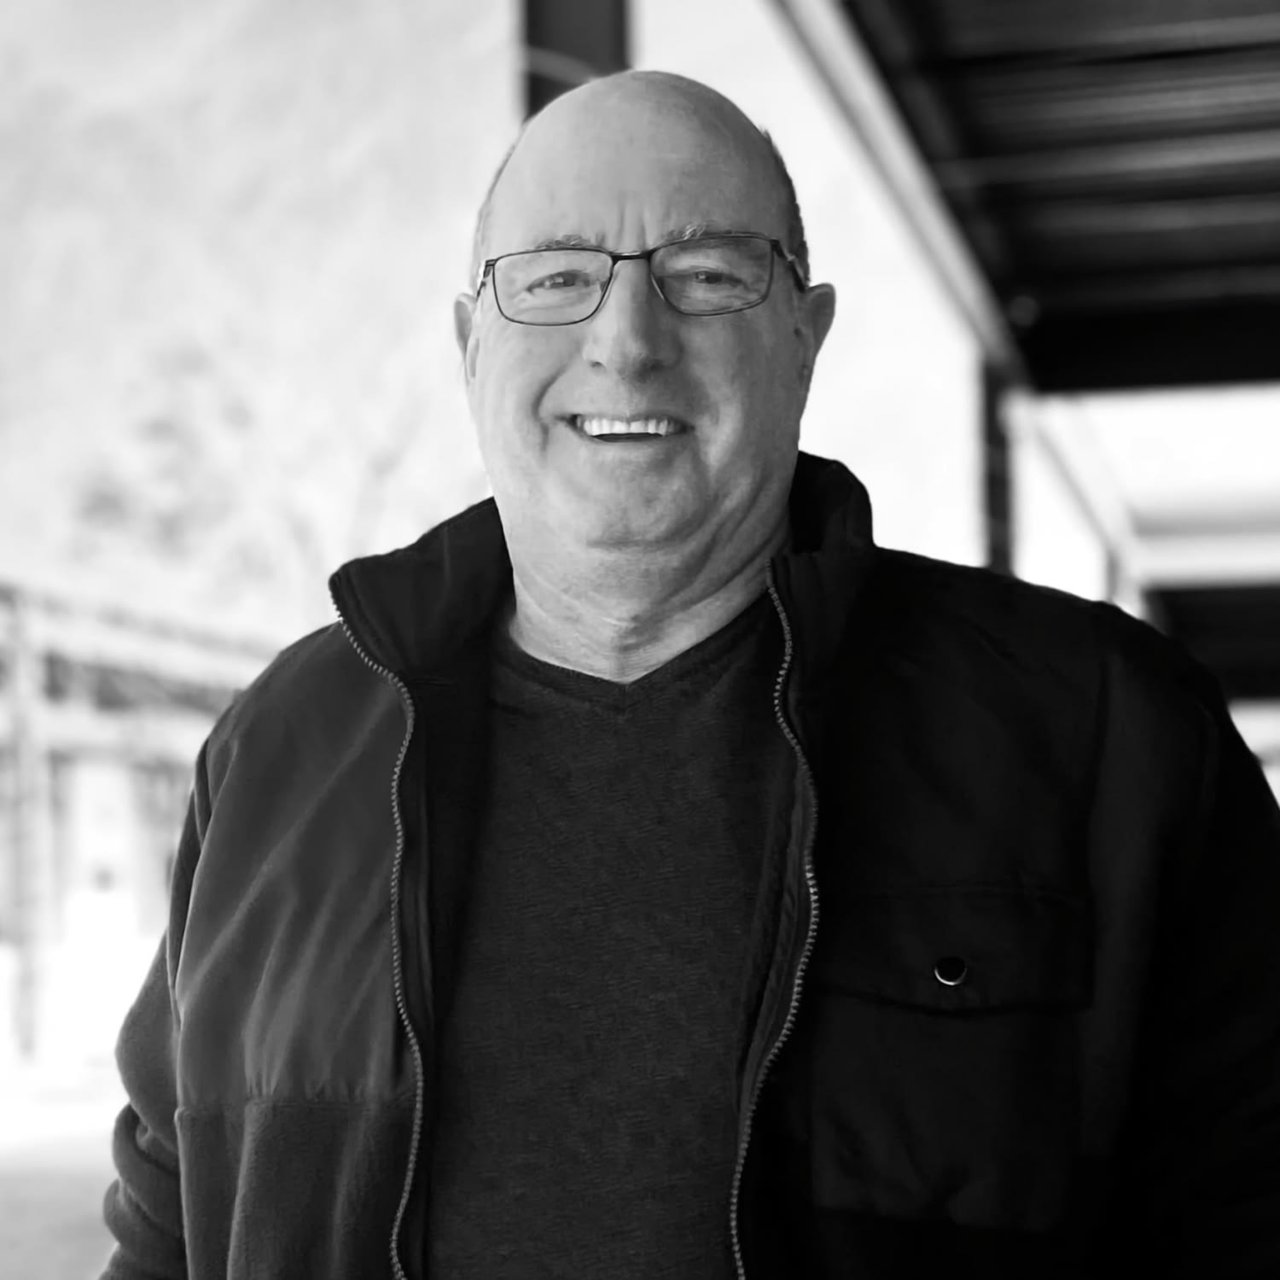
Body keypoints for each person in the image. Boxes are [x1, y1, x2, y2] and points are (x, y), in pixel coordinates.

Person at [100, 70, 1280, 1280]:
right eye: (556, 277)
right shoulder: (279, 749)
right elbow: (165, 1221)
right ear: (471, 344)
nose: (623, 341)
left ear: (803, 337)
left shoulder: (1105, 739)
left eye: (706, 274)